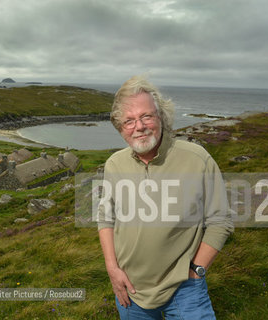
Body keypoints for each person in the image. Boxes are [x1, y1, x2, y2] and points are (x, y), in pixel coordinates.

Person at [97, 76, 234, 319]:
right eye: (128, 121)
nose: (139, 126)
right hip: (129, 288)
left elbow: (220, 220)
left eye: (146, 116)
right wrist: (112, 269)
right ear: (120, 127)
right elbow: (106, 218)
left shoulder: (197, 159)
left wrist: (196, 270)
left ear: (162, 117)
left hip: (185, 287)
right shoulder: (114, 165)